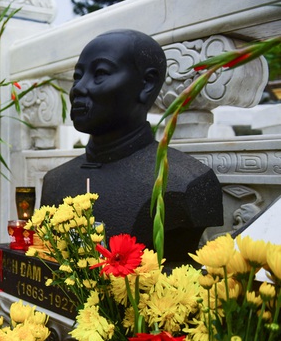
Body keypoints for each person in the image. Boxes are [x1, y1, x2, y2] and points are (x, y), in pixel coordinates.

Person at [41, 29, 223, 265]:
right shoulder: (56, 182)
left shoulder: (188, 182)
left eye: (100, 73)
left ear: (146, 84)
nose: (78, 88)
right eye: (78, 76)